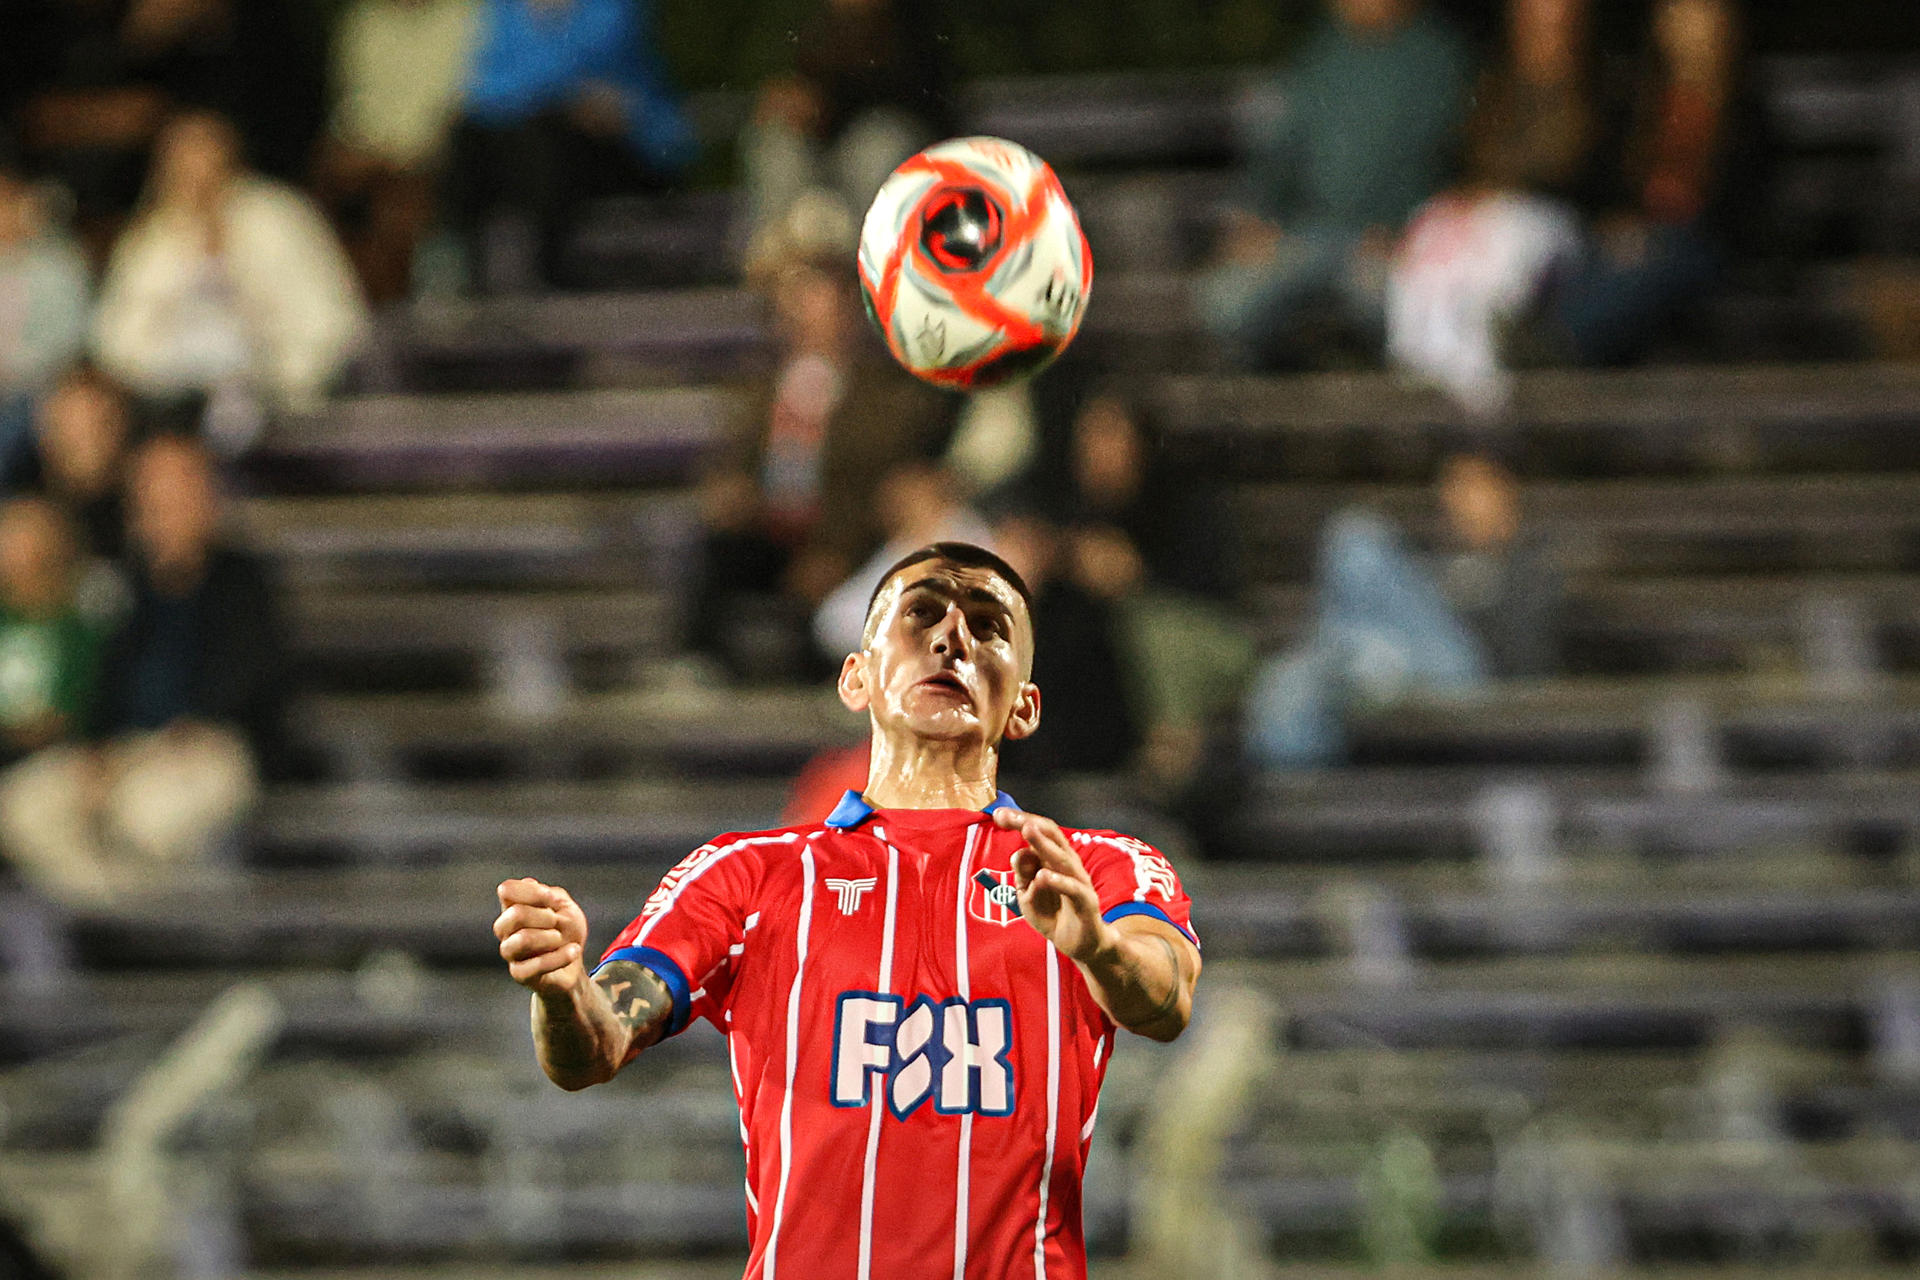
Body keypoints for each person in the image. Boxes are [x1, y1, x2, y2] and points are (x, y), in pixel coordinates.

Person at [494, 540, 1201, 1278]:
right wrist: (562, 987)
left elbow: (1167, 1001)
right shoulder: (746, 876)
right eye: (920, 615)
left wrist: (1097, 948)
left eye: (988, 627)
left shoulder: (1094, 869)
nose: (952, 637)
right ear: (856, 678)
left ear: (1023, 708)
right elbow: (592, 1048)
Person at [0, 436, 284, 894]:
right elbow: (99, 681)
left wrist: (184, 731)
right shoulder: (120, 586)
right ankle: (112, 921)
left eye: (178, 490)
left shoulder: (242, 581)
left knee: (147, 817)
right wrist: (96, 749)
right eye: (152, 492)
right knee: (25, 807)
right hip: (127, 751)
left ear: (207, 495)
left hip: (206, 749)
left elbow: (252, 684)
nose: (165, 506)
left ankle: (154, 930)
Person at [689, 242, 944, 681]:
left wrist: (838, 551)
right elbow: (735, 463)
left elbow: (886, 485)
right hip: (767, 530)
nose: (801, 313)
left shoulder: (886, 397)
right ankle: (700, 661)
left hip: (846, 539)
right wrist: (730, 492)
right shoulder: (762, 387)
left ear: (846, 310)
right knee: (716, 548)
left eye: (814, 299)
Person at [1194, 0, 1473, 369]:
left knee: (1393, 307)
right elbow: (1275, 161)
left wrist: (1413, 235)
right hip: (1305, 240)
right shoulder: (1316, 59)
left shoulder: (1441, 62)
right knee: (1224, 301)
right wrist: (1256, 219)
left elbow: (1461, 174)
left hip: (1392, 251)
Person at [1246, 451, 1561, 768]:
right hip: (1407, 664)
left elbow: (1524, 655)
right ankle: (1362, 664)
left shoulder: (1530, 563)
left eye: (1470, 484)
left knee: (1356, 541)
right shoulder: (1440, 561)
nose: (1453, 498)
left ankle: (1361, 660)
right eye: (1450, 486)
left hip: (1470, 677)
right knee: (1288, 677)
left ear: (1506, 493)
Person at [91, 109, 369, 423]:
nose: (193, 168)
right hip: (170, 402)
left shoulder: (279, 217)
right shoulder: (150, 237)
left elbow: (332, 320)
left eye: (202, 150)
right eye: (181, 154)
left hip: (275, 394)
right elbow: (116, 339)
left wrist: (281, 373)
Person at [451, 0, 696, 291]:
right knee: (473, 138)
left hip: (620, 149)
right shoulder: (503, 11)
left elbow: (619, 92)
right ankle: (461, 273)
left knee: (544, 135)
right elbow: (489, 90)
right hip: (528, 150)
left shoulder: (612, 10)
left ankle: (545, 278)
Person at [737, 0, 954, 272]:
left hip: (885, 185)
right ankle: (780, 260)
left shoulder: (915, 34)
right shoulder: (818, 31)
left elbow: (919, 110)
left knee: (877, 145)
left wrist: (824, 106)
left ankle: (867, 264)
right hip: (824, 173)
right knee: (777, 140)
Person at [313, 0, 481, 304]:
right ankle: (341, 303)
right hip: (369, 148)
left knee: (400, 207)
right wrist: (355, 143)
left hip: (436, 152)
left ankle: (400, 306)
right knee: (324, 185)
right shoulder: (365, 18)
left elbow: (461, 103)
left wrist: (398, 152)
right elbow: (350, 99)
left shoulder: (466, 14)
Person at [0, 498, 107, 896]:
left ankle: (103, 913)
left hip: (53, 766)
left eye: (27, 537)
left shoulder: (78, 624)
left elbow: (74, 708)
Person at [0, 163, 91, 475]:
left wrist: (12, 371)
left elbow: (70, 341)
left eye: (6, 203)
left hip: (38, 390)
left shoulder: (58, 265)